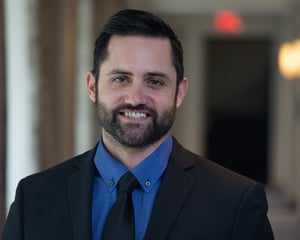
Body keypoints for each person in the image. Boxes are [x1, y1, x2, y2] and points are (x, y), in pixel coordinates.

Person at [2, 9, 274, 240]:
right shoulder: (33, 198)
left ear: (179, 92)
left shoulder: (235, 202)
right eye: (121, 78)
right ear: (92, 86)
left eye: (155, 81)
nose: (135, 98)